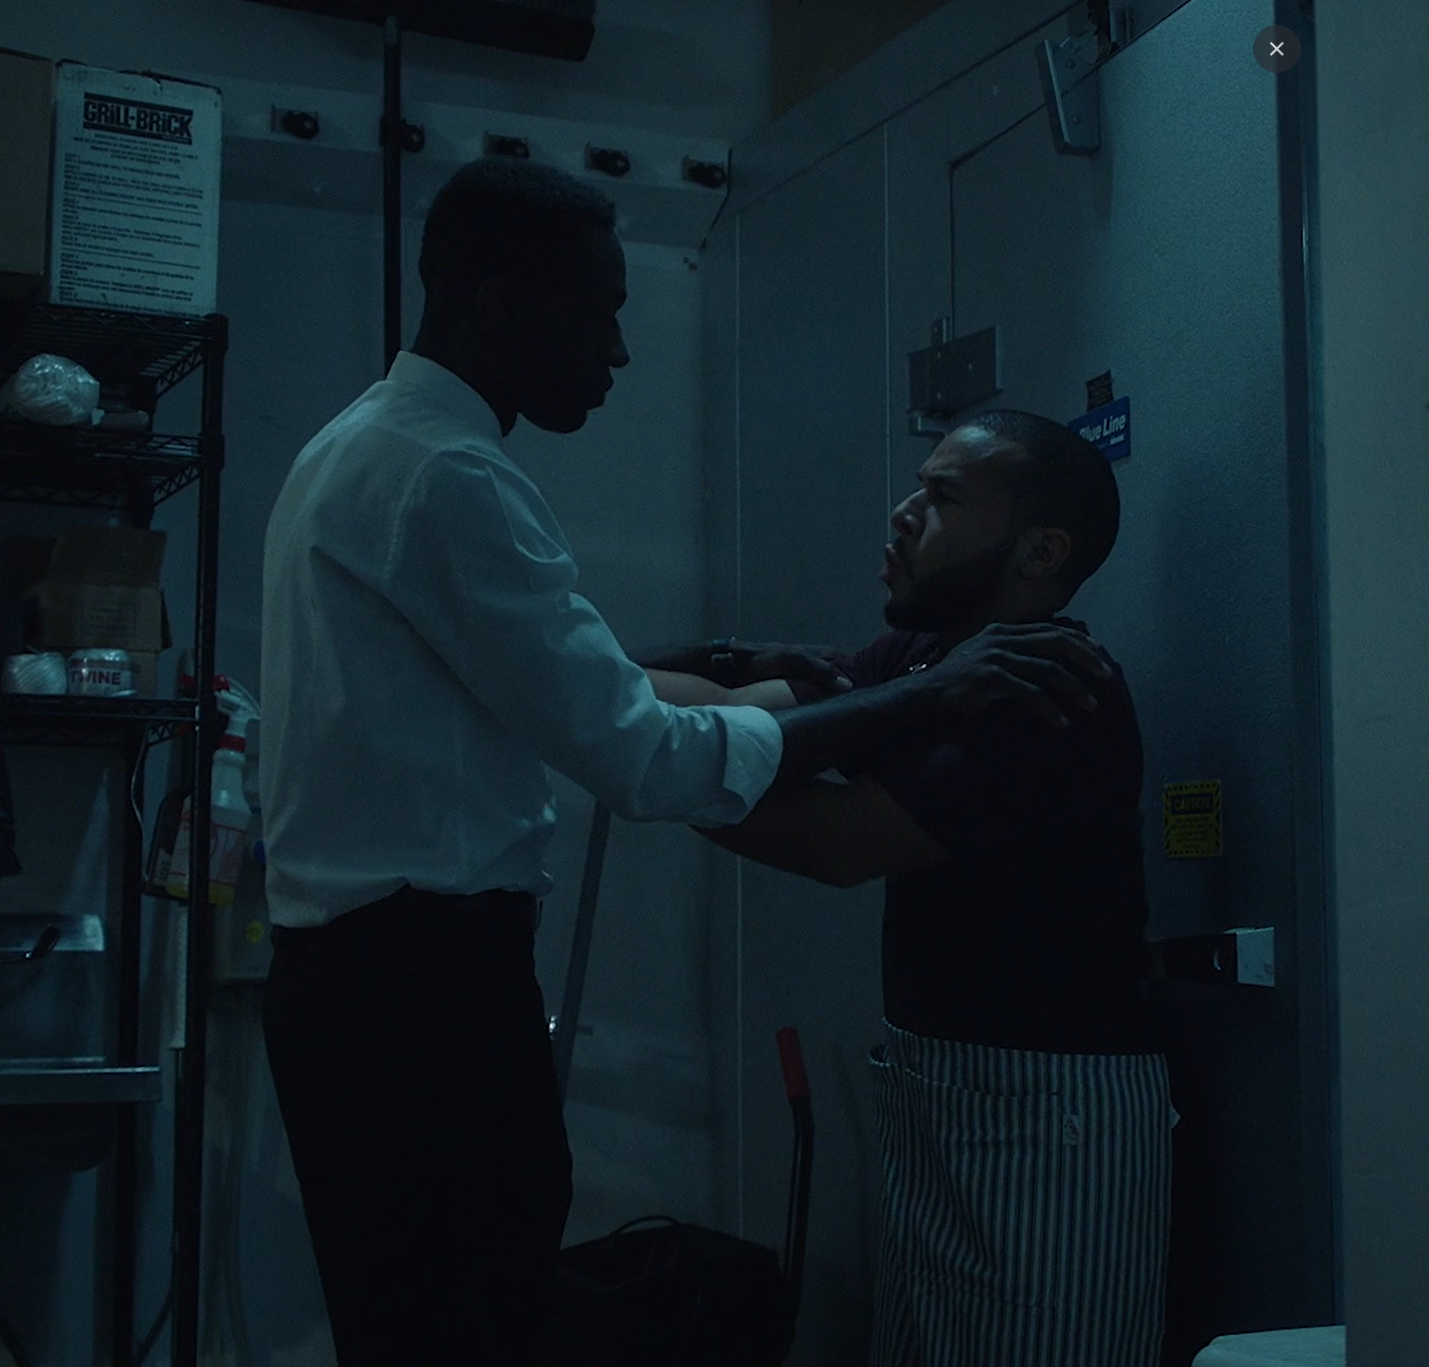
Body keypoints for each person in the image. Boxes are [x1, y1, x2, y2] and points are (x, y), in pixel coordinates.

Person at [256, 159, 1110, 1366]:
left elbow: (695, 716)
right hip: (420, 1000)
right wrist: (897, 694)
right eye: (598, 307)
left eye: (943, 496)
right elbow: (651, 748)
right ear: (499, 302)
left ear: (1042, 548)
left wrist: (692, 697)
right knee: (458, 1327)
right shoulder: (446, 473)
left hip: (376, 988)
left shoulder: (363, 446)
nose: (616, 348)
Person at [682, 410, 1171, 1367]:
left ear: (1040, 550)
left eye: (943, 495)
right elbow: (733, 716)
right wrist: (622, 688)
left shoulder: (1048, 684)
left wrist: (645, 772)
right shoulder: (926, 659)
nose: (904, 512)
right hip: (946, 1101)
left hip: (1049, 1126)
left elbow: (838, 840)